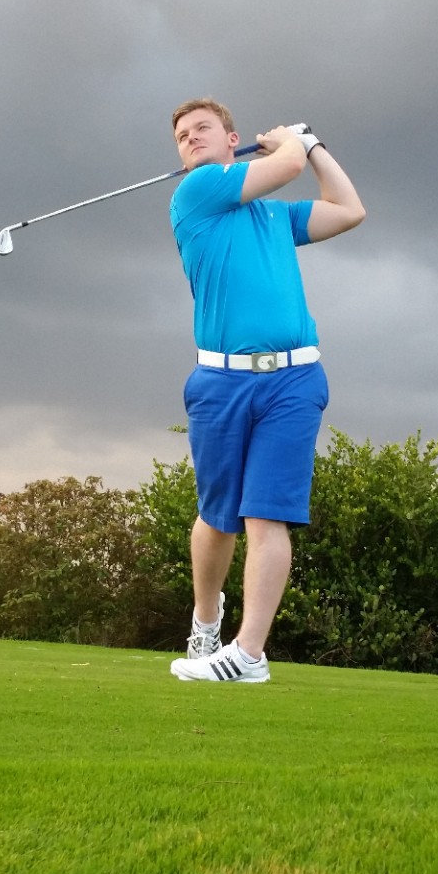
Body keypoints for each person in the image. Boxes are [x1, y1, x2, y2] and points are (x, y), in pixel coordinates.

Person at [168, 98, 365, 683]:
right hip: (220, 380)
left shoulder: (277, 220)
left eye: (203, 129)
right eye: (181, 136)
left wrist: (315, 144)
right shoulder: (196, 194)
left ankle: (248, 653)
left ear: (233, 140)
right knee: (217, 517)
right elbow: (285, 167)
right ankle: (207, 622)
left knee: (265, 516)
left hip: (295, 379)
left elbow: (350, 209)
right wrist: (292, 142)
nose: (191, 139)